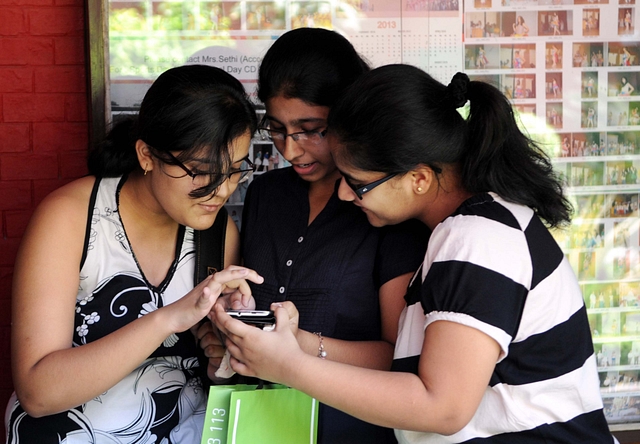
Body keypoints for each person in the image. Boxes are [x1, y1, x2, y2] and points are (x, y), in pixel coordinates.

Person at [214, 66, 618, 443]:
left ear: (419, 179)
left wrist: (288, 367)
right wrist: (295, 342)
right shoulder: (470, 230)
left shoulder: (476, 239)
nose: (343, 193)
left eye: (357, 183)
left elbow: (442, 406)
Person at [4, 65, 264, 443]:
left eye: (235, 170)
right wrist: (168, 319)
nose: (223, 190)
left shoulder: (218, 232)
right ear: (147, 155)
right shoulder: (72, 218)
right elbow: (37, 393)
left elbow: (211, 377)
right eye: (204, 172)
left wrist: (223, 353)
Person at [240, 28, 428, 443]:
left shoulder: (385, 209)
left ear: (347, 116)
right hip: (257, 426)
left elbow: (400, 355)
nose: (290, 150)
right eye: (276, 129)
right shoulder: (265, 195)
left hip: (352, 429)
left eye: (311, 130)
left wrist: (297, 346)